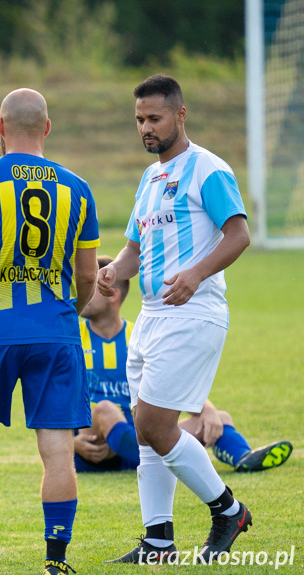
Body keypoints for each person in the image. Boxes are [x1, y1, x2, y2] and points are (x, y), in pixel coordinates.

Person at [0, 88, 99, 575]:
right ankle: (56, 563)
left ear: (1, 128)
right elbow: (89, 274)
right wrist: (73, 310)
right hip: (56, 333)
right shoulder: (78, 188)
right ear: (46, 128)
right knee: (56, 448)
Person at [100, 75, 252, 565]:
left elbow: (239, 234)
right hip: (150, 315)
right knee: (146, 431)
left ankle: (228, 510)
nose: (146, 128)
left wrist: (196, 273)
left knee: (152, 422)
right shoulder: (149, 179)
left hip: (193, 312)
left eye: (154, 119)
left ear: (180, 115)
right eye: (140, 120)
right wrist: (111, 272)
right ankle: (158, 541)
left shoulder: (207, 168)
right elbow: (134, 249)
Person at [75, 255, 293, 474]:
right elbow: (52, 396)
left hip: (139, 437)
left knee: (218, 418)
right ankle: (157, 459)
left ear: (112, 294)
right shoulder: (73, 338)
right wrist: (71, 443)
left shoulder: (139, 336)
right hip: (92, 447)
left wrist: (205, 409)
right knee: (105, 409)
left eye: (89, 286)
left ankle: (244, 458)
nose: (80, 292)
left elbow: (171, 378)